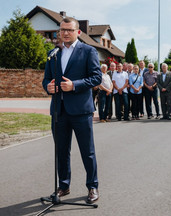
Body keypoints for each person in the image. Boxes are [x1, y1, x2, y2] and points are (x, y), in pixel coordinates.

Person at [42, 17, 101, 204]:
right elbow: (46, 79)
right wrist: (48, 88)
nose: (65, 33)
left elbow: (96, 77)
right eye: (62, 29)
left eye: (69, 29)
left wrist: (74, 85)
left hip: (81, 111)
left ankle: (92, 186)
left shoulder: (89, 51)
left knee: (87, 151)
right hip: (59, 110)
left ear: (78, 32)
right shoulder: (53, 53)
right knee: (61, 151)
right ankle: (64, 185)